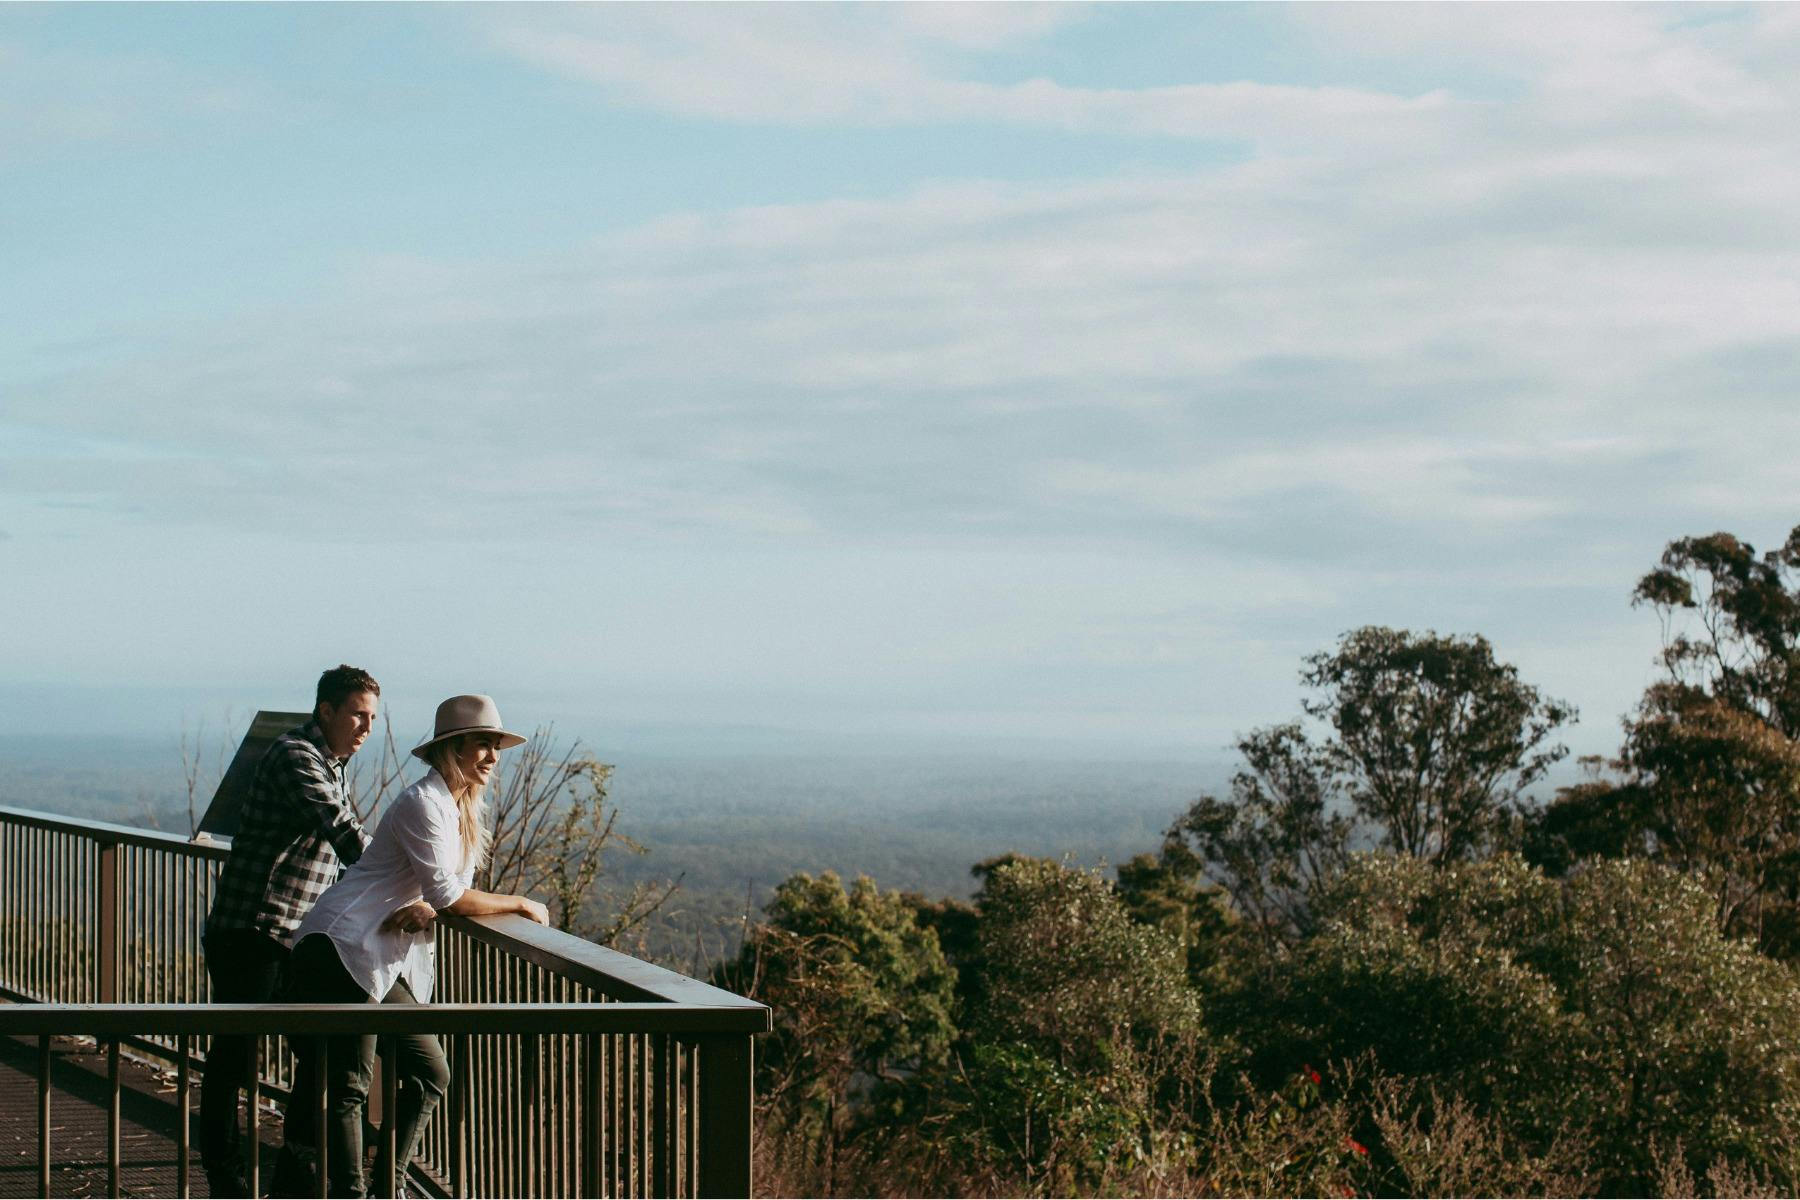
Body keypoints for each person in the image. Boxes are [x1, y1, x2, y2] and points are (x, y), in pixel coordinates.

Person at [277, 694, 550, 1199]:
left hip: (377, 956)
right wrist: (519, 903)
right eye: (483, 745)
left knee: (431, 1072)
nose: (493, 756)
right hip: (341, 944)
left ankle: (388, 1179)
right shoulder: (422, 803)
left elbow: (445, 889)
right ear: (454, 748)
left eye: (496, 746)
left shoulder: (461, 808)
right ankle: (357, 1193)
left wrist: (431, 905)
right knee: (350, 1085)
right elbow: (449, 892)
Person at [201, 664, 404, 1198]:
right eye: (358, 714)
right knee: (235, 1058)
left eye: (372, 718)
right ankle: (225, 1173)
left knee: (318, 1052)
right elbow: (343, 832)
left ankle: (294, 1166)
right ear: (326, 711)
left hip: (293, 936)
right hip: (252, 931)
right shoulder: (297, 756)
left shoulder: (330, 763)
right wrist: (414, 884)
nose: (366, 727)